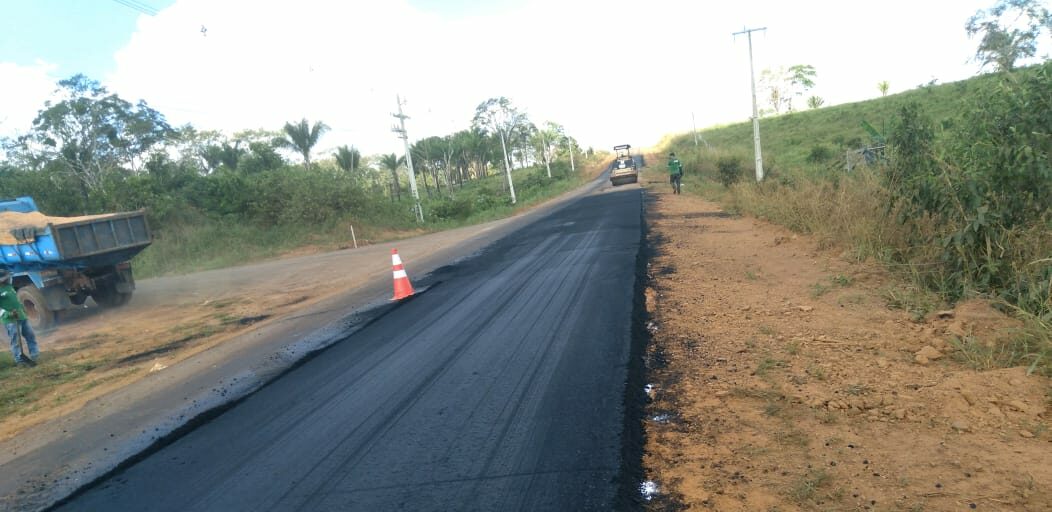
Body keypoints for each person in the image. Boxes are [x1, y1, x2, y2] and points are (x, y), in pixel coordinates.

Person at [0, 270, 38, 367]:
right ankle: (19, 360)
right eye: (6, 278)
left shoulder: (10, 287)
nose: (9, 279)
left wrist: (22, 309)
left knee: (30, 335)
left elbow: (16, 301)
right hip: (10, 320)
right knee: (15, 340)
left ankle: (35, 355)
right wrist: (9, 314)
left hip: (21, 316)